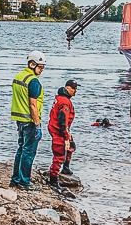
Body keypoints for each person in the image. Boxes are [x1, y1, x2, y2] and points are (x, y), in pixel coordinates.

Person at [9, 52, 46, 189]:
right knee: (29, 152)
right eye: (40, 67)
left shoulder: (19, 76)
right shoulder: (33, 81)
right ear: (32, 64)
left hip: (19, 119)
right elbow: (32, 104)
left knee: (21, 149)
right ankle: (24, 181)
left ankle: (15, 178)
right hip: (30, 121)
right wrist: (37, 125)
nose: (41, 70)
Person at [46, 79, 79, 186]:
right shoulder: (64, 102)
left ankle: (66, 168)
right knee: (59, 155)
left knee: (71, 146)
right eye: (74, 88)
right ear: (67, 88)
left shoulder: (60, 98)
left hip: (60, 129)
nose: (75, 91)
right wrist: (65, 136)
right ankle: (53, 180)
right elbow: (62, 120)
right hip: (59, 131)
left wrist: (68, 135)